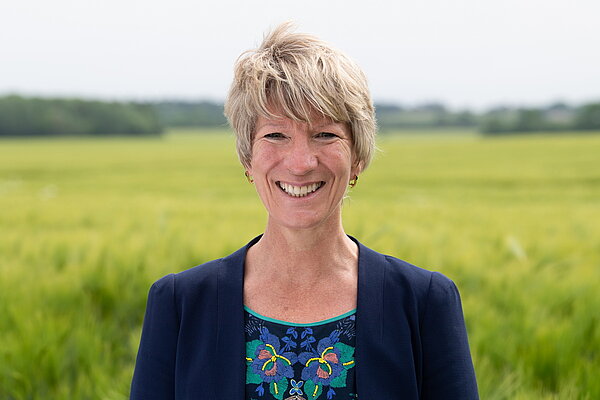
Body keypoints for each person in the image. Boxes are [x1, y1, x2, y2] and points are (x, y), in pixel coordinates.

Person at [130, 23, 478, 400]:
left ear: (358, 156)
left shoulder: (425, 302)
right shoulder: (179, 305)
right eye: (276, 135)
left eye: (325, 134)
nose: (300, 163)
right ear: (248, 158)